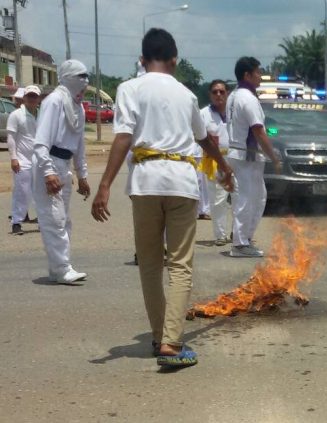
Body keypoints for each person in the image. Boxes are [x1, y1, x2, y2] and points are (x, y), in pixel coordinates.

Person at [91, 28, 233, 368]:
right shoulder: (185, 95)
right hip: (182, 183)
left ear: (141, 60)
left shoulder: (129, 88)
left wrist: (105, 184)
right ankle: (172, 341)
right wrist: (225, 168)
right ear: (174, 60)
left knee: (151, 265)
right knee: (181, 264)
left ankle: (160, 337)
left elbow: (124, 137)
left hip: (145, 182)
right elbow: (205, 142)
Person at [33, 60, 91, 285]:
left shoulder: (77, 107)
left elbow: (79, 146)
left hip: (64, 166)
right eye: (80, 76)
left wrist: (82, 175)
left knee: (64, 220)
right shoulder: (54, 101)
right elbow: (41, 143)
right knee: (53, 219)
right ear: (67, 77)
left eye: (87, 77)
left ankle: (59, 267)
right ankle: (61, 269)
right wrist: (48, 173)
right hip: (49, 163)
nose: (85, 82)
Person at [226, 56, 281, 257]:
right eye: (257, 72)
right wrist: (274, 157)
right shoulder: (247, 98)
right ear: (247, 75)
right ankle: (240, 244)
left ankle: (244, 238)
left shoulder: (234, 96)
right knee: (247, 200)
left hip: (241, 154)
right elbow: (258, 130)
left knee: (256, 198)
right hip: (246, 156)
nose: (260, 76)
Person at [199, 79, 234, 246]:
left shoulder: (235, 112)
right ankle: (220, 235)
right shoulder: (203, 114)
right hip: (215, 161)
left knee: (240, 197)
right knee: (218, 199)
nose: (218, 95)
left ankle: (239, 233)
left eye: (222, 91)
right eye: (215, 92)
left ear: (227, 93)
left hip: (236, 159)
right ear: (210, 95)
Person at [8, 85, 41, 235]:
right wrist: (14, 158)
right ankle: (16, 222)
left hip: (39, 160)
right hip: (22, 160)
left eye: (35, 96)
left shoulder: (42, 115)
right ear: (25, 98)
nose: (32, 99)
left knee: (41, 192)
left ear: (38, 99)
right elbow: (11, 138)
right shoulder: (16, 115)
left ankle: (43, 221)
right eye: (29, 96)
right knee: (22, 192)